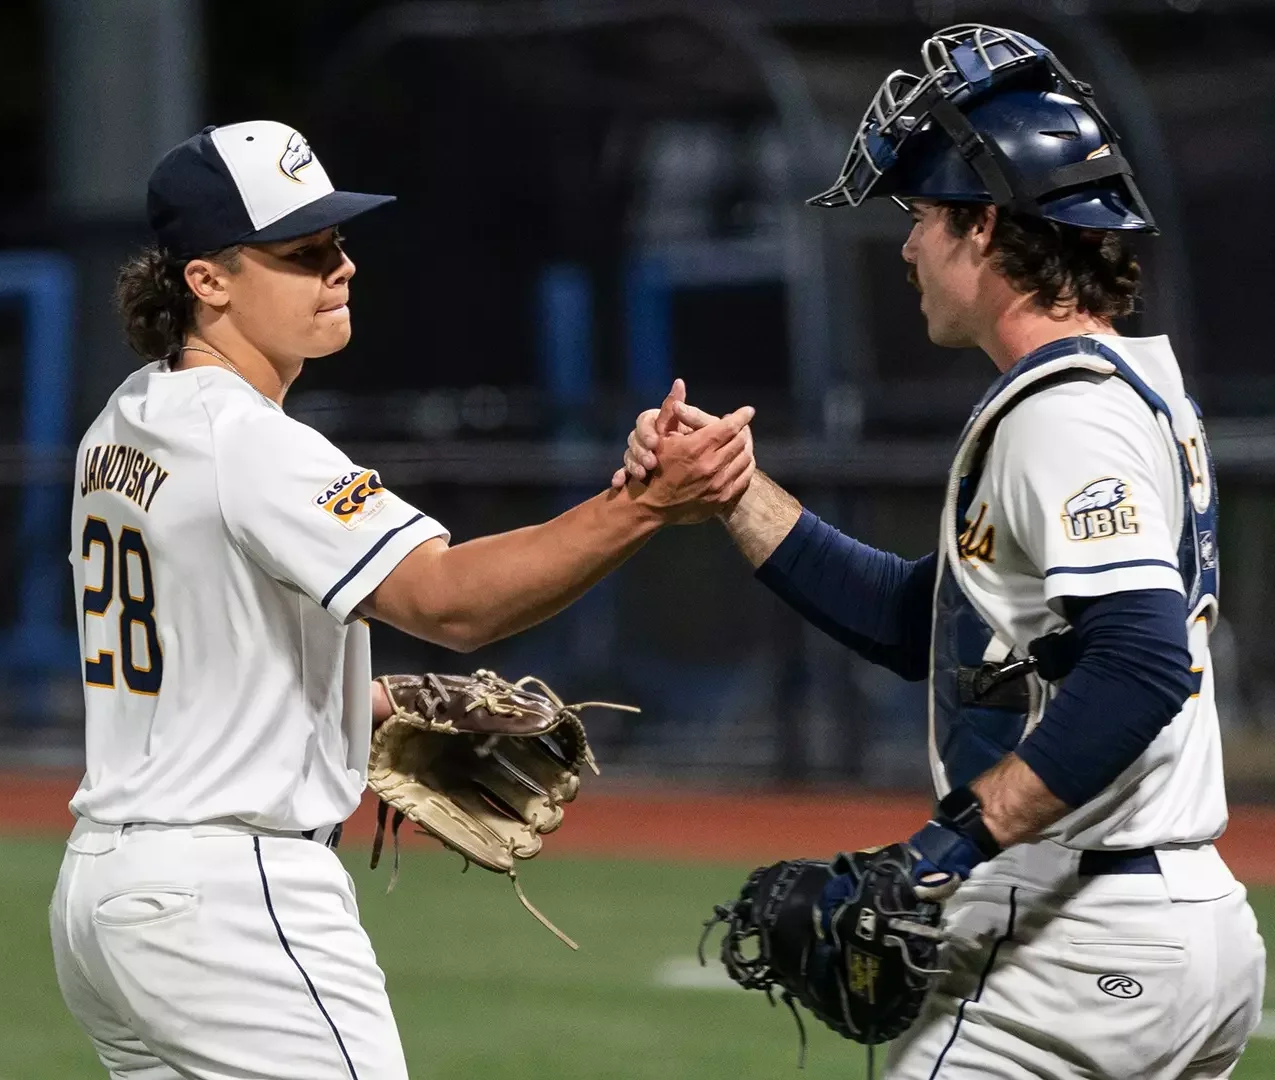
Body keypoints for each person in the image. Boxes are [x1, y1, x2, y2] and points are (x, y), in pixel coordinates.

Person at [617, 25, 1264, 1078]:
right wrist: (734, 491)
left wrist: (946, 847)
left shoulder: (1065, 414)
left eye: (919, 216)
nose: (908, 246)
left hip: (1081, 934)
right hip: (1175, 922)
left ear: (985, 224)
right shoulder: (1119, 386)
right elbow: (920, 622)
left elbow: (1144, 662)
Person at [48, 119, 754, 1080]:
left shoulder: (126, 418)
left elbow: (201, 653)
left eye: (336, 241)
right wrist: (644, 505)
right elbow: (450, 602)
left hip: (108, 891)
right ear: (207, 280)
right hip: (231, 900)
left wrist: (364, 702)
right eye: (301, 252)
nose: (340, 268)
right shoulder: (249, 441)